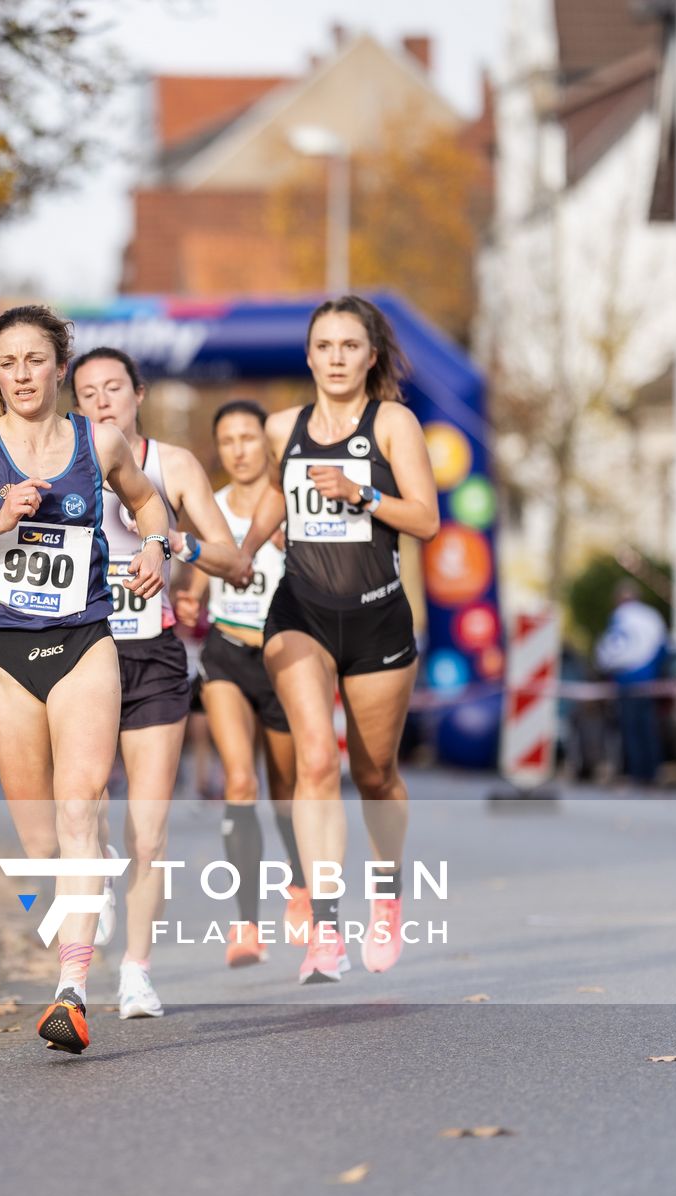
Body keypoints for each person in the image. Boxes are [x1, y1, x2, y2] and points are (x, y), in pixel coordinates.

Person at [0, 304, 170, 1054]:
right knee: (40, 843)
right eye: (8, 363)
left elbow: (148, 501)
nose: (23, 375)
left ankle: (72, 990)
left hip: (86, 639)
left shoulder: (99, 440)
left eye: (35, 360)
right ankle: (79, 919)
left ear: (61, 366)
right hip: (5, 655)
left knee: (82, 802)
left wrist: (153, 546)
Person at [249, 296, 440, 984]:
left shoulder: (393, 424)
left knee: (374, 774)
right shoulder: (282, 427)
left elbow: (425, 521)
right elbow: (277, 494)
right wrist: (246, 546)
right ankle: (324, 931)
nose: (335, 358)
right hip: (300, 610)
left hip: (377, 617)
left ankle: (385, 897)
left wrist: (360, 494)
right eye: (323, 346)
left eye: (348, 346)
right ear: (308, 356)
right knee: (316, 764)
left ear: (370, 357)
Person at [71, 347, 245, 1019]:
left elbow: (232, 558)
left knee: (150, 830)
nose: (103, 401)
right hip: (79, 655)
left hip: (152, 657)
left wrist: (177, 546)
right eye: (87, 393)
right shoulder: (64, 464)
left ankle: (137, 972)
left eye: (114, 387)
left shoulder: (172, 465)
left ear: (139, 393)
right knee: (82, 814)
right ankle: (97, 875)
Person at [174, 400, 302, 969]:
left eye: (249, 437)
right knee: (240, 781)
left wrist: (293, 552)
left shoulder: (292, 507)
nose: (239, 450)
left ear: (266, 444)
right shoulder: (213, 509)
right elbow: (197, 580)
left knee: (287, 791)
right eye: (228, 440)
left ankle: (300, 888)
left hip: (287, 661)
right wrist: (187, 599)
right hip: (227, 654)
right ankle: (247, 925)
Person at [596, 580, 666, 788]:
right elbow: (663, 650)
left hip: (627, 682)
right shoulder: (652, 616)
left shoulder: (620, 617)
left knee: (632, 731)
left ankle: (638, 774)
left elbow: (610, 650)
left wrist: (608, 670)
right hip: (648, 681)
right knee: (647, 729)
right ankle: (652, 772)